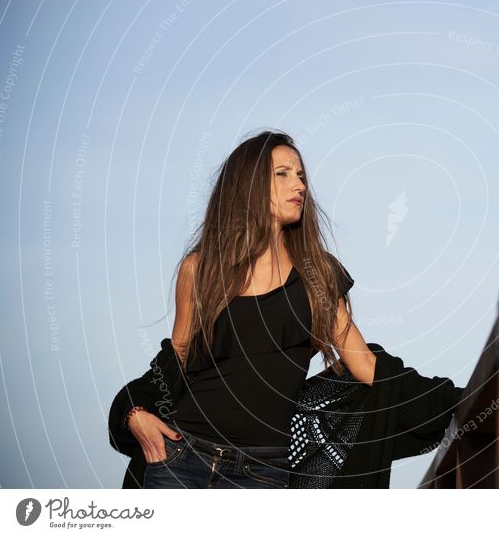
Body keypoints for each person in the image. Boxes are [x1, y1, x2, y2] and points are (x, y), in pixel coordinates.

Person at [125, 130, 378, 489]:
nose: (300, 186)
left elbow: (365, 364)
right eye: (283, 174)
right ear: (248, 185)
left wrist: (454, 401)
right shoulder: (200, 269)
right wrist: (134, 412)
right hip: (181, 457)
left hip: (262, 471)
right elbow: (176, 359)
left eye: (302, 176)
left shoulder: (318, 274)